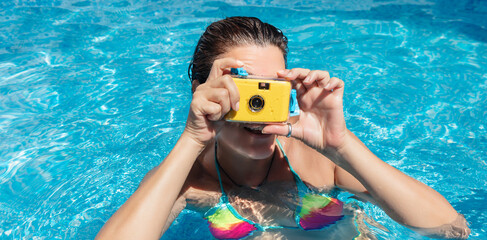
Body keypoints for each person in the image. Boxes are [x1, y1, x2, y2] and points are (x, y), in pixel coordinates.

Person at [96, 17, 470, 239]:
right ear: (203, 92)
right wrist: (193, 136)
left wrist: (341, 145)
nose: (257, 108)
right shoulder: (188, 181)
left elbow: (452, 230)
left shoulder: (321, 158)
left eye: (270, 90)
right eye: (244, 88)